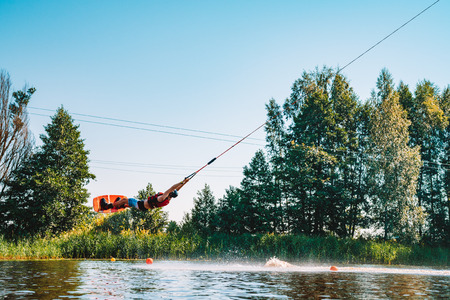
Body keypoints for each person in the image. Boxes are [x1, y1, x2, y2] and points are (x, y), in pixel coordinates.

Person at [100, 178, 190, 211]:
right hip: (143, 207)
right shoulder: (168, 200)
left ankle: (108, 206)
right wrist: (185, 182)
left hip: (140, 204)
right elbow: (177, 189)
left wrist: (182, 181)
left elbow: (172, 188)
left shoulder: (163, 197)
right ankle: (122, 206)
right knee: (130, 203)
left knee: (125, 199)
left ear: (170, 193)